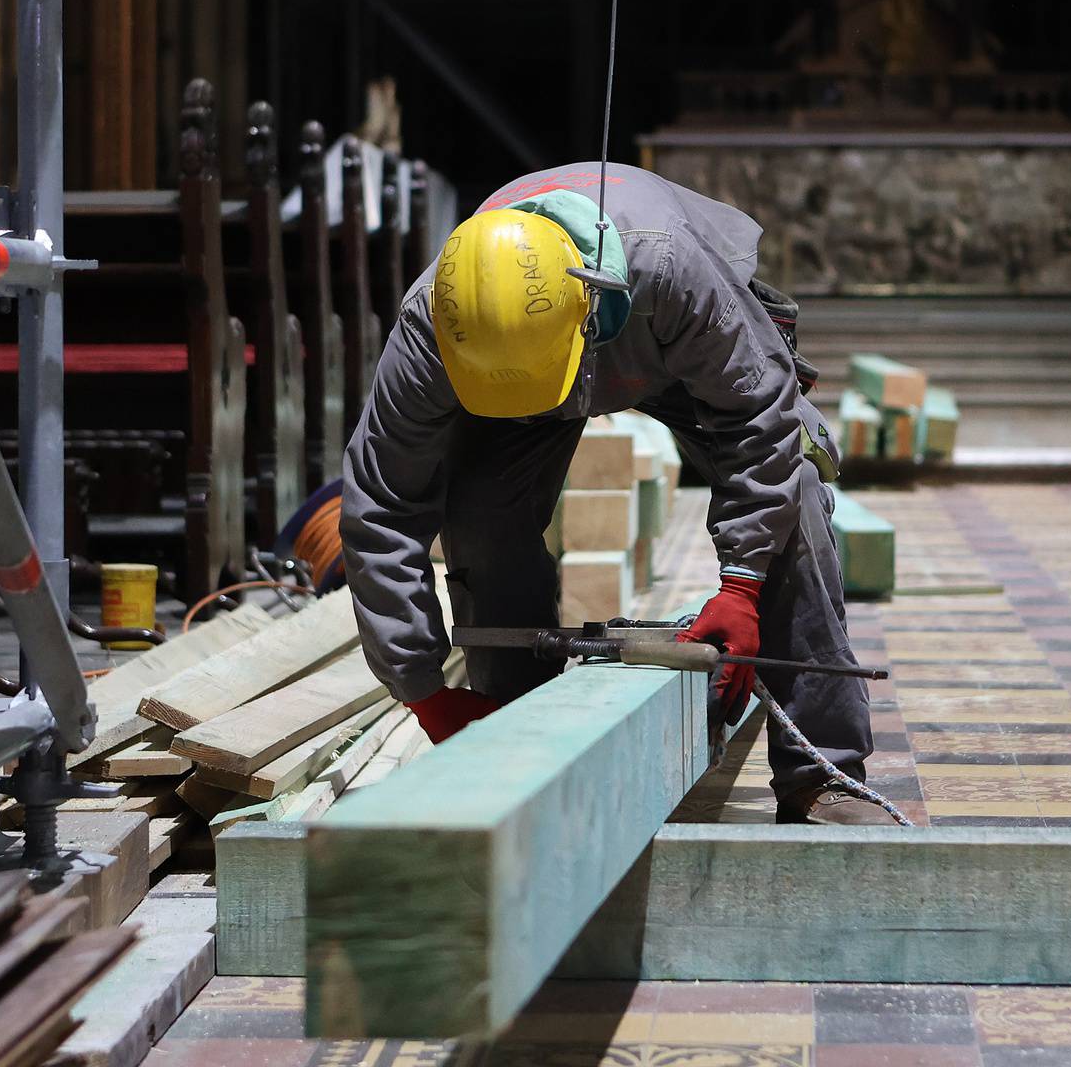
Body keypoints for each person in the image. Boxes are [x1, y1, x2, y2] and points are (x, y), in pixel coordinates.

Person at [339, 161, 890, 824]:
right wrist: (424, 691)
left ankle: (821, 774)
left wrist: (743, 587)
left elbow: (758, 418)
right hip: (520, 378)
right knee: (482, 519)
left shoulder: (672, 272)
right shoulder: (433, 328)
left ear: (588, 305)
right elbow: (381, 505)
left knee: (794, 487)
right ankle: (510, 744)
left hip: (660, 340)